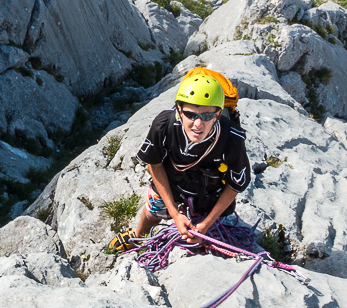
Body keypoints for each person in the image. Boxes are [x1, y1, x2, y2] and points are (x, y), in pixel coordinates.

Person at [107, 71, 251, 252]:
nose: (198, 124)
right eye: (191, 115)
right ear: (179, 110)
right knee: (152, 212)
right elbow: (155, 163)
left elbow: (236, 184)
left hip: (211, 195)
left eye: (207, 116)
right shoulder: (163, 126)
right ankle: (139, 239)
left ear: (218, 115)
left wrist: (205, 225)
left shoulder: (231, 138)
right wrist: (175, 214)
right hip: (173, 184)